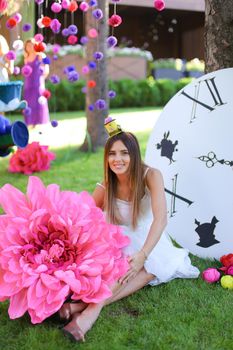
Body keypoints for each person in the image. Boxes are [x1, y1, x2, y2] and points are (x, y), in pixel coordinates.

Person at [60, 120, 200, 342]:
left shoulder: (151, 175)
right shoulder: (106, 184)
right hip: (114, 239)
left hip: (146, 236)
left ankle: (86, 310)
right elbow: (83, 215)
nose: (118, 159)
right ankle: (85, 311)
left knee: (153, 264)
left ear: (134, 155)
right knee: (135, 264)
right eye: (112, 154)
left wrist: (143, 253)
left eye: (124, 153)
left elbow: (161, 219)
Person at [23, 39, 50, 126]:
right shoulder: (26, 58)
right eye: (27, 46)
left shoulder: (40, 55)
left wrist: (42, 78)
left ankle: (40, 121)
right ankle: (29, 122)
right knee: (29, 102)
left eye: (31, 45)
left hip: (38, 83)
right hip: (28, 83)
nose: (29, 47)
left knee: (38, 102)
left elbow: (46, 68)